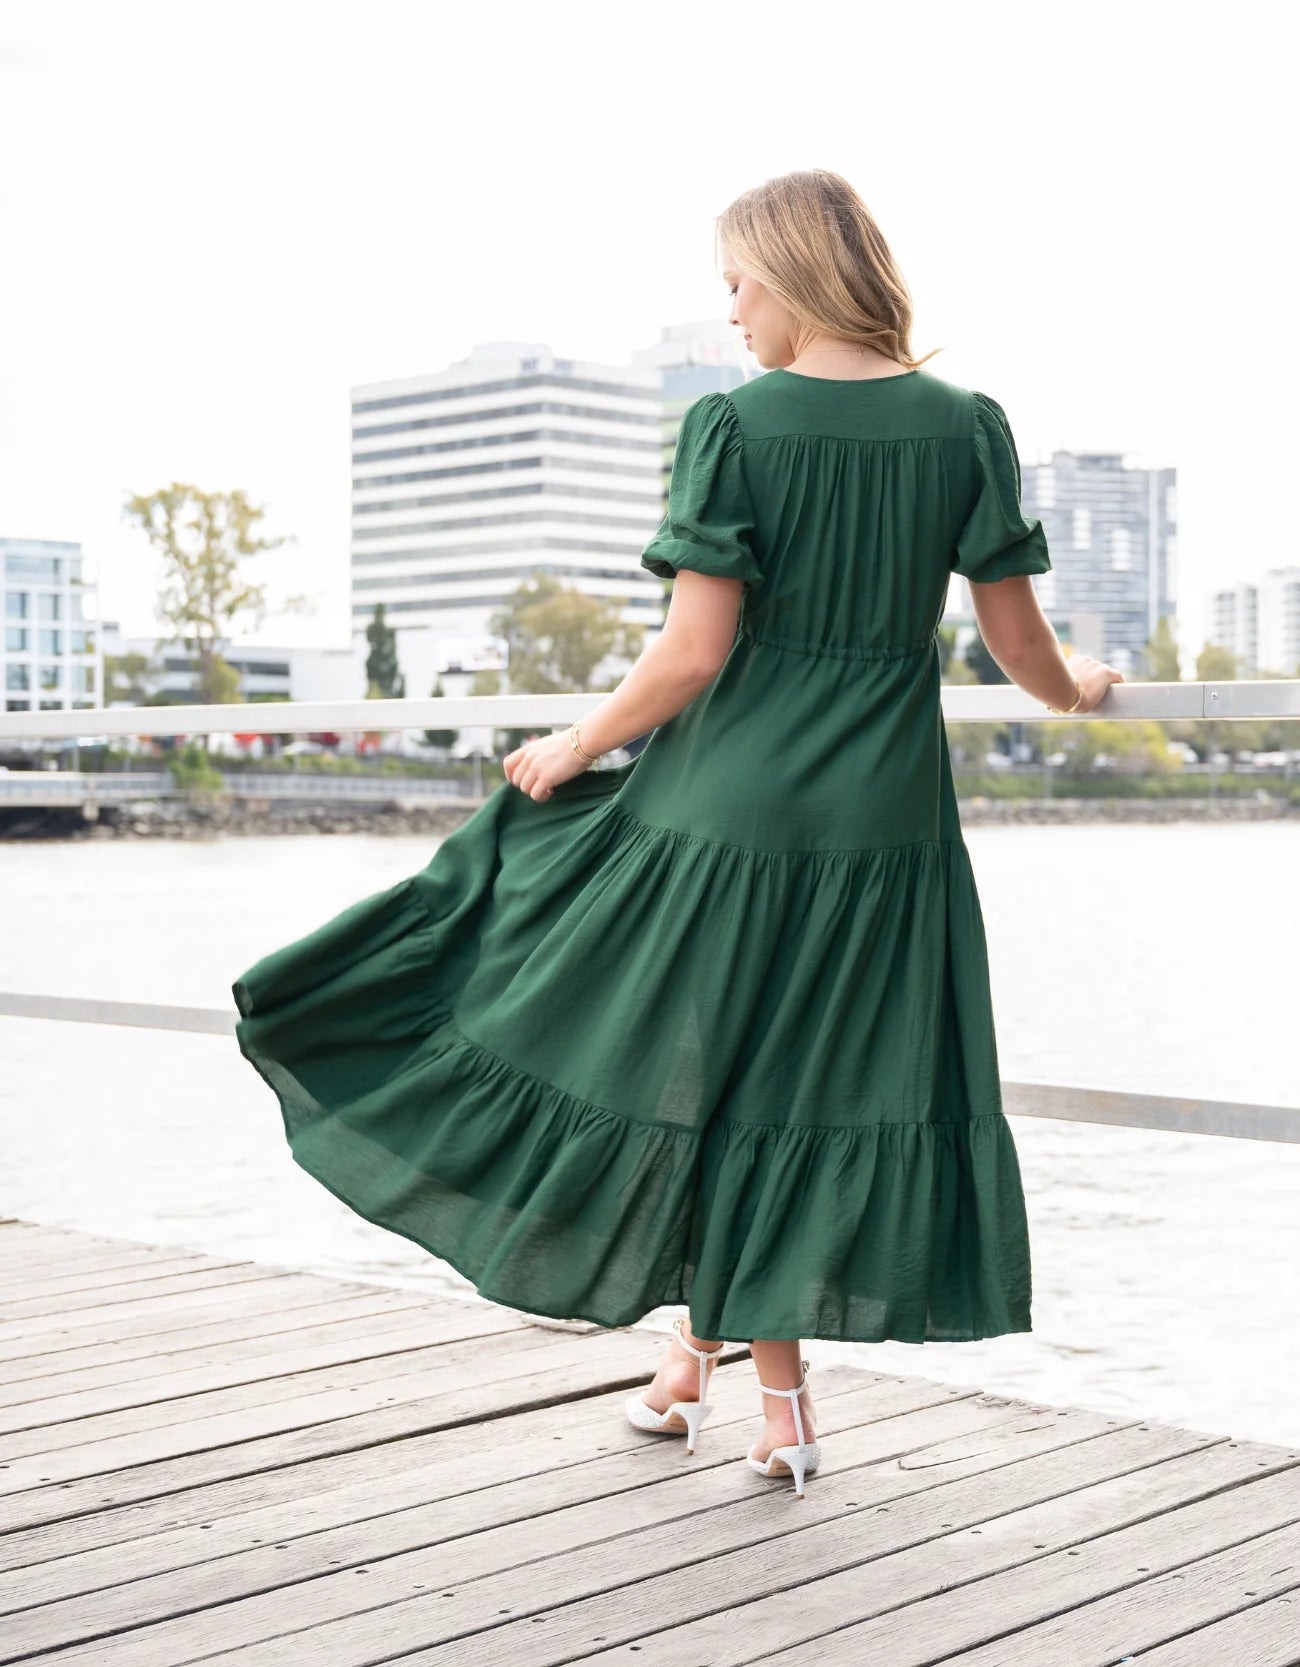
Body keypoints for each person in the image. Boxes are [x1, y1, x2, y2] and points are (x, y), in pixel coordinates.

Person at [232, 167, 1124, 1500]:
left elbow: (694, 652)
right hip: (884, 828)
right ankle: (705, 1369)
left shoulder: (735, 427)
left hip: (724, 810)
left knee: (690, 1061)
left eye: (737, 282)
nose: (733, 311)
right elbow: (1019, 650)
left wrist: (573, 744)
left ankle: (771, 1397)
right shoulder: (967, 425)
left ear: (792, 275)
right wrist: (1085, 690)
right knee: (802, 1089)